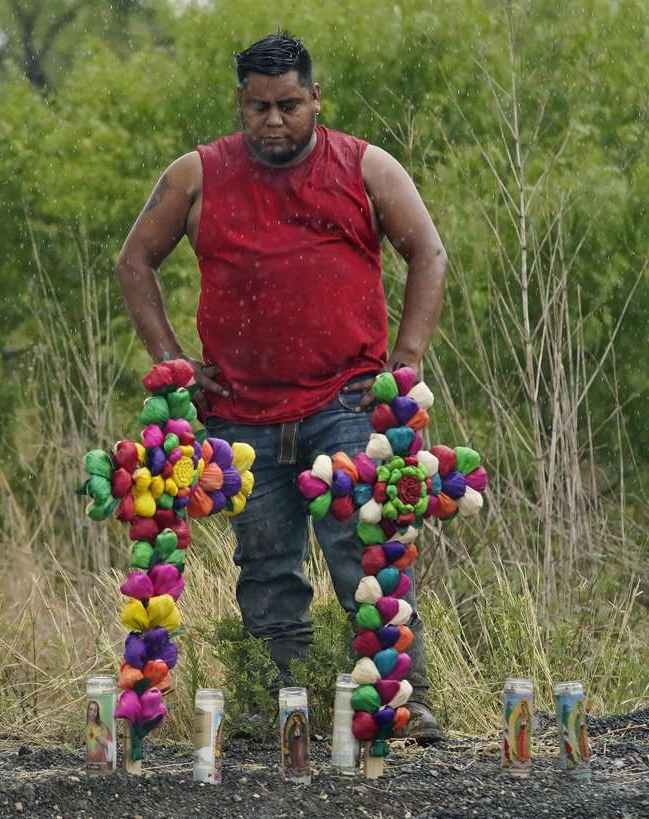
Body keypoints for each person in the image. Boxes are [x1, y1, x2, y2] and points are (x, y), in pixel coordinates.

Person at [115, 32, 448, 742]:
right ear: (240, 103)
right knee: (266, 569)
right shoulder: (197, 175)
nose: (274, 120)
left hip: (348, 401)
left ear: (315, 99)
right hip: (241, 414)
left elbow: (429, 251)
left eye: (290, 105)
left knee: (368, 552)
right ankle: (280, 709)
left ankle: (398, 704)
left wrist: (406, 362)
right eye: (260, 106)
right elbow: (134, 261)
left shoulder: (365, 167)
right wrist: (174, 361)